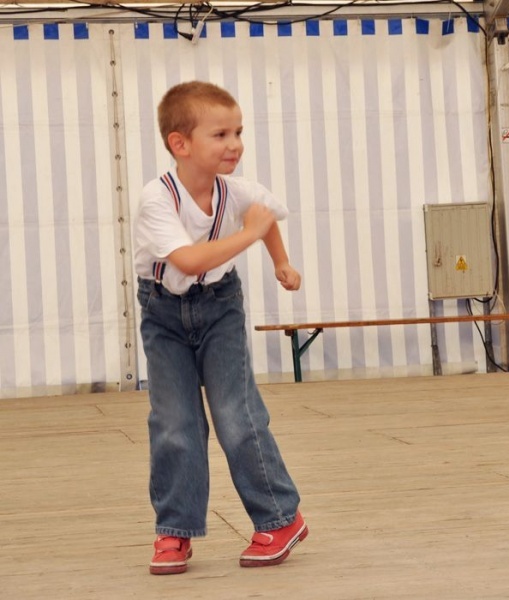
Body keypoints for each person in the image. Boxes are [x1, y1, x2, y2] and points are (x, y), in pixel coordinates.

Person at [134, 81, 307, 575]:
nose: (234, 144)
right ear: (180, 144)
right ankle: (175, 528)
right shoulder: (156, 199)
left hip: (220, 308)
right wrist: (249, 234)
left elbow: (265, 216)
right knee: (174, 423)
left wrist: (281, 261)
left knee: (238, 413)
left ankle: (279, 517)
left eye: (238, 132)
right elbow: (187, 260)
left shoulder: (239, 190)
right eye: (220, 134)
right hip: (164, 315)